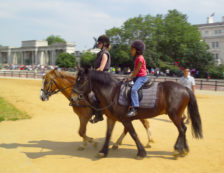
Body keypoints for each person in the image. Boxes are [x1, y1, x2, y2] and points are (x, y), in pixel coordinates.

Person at [89, 35, 111, 123]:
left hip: (102, 77)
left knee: (92, 95)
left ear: (104, 44)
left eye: (99, 43)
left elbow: (101, 68)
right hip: (98, 76)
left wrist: (91, 72)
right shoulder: (101, 52)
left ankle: (99, 115)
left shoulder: (104, 53)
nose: (97, 44)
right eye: (97, 42)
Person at [126, 40, 149, 117]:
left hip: (142, 77)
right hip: (137, 76)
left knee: (134, 89)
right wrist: (130, 75)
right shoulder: (137, 58)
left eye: (132, 49)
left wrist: (130, 77)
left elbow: (137, 71)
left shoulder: (140, 58)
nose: (131, 51)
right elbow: (135, 70)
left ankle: (135, 108)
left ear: (137, 50)